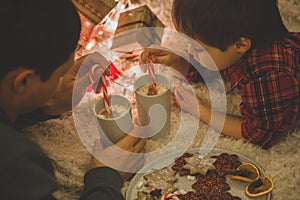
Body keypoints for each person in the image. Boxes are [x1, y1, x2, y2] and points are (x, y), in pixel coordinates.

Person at [0, 0, 145, 199]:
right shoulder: (18, 165)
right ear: (24, 81)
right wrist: (105, 177)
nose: (62, 80)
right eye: (60, 75)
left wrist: (43, 106)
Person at [140, 0, 299, 149]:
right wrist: (175, 59)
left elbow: (259, 134)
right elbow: (206, 69)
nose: (189, 51)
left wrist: (199, 110)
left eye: (198, 49)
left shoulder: (270, 75)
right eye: (188, 44)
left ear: (240, 44)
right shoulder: (234, 46)